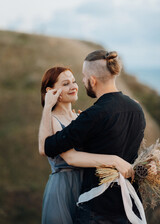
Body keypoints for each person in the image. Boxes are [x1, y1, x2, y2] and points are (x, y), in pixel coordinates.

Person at [44, 50, 146, 224]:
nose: (82, 81)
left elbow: (51, 146)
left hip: (98, 209)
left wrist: (48, 108)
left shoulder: (93, 115)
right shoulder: (137, 110)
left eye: (83, 77)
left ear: (92, 80)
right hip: (129, 206)